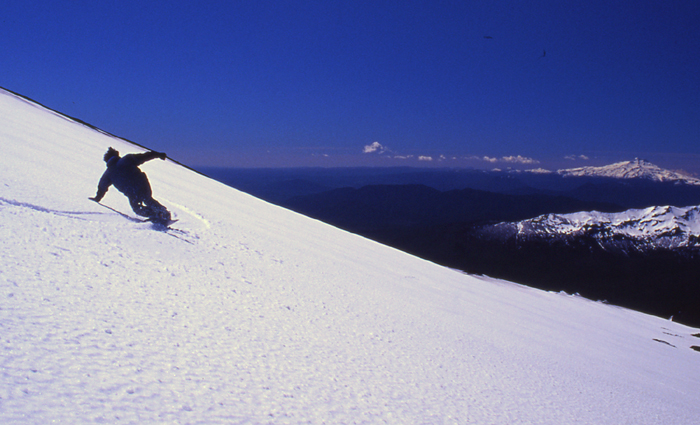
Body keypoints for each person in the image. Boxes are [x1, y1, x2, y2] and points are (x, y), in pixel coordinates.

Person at [90, 147, 171, 223]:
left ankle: (157, 215)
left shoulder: (108, 173)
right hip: (142, 184)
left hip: (132, 192)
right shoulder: (125, 160)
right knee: (147, 199)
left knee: (137, 208)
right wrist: (158, 154)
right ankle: (161, 213)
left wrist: (97, 198)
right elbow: (144, 156)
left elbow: (102, 187)